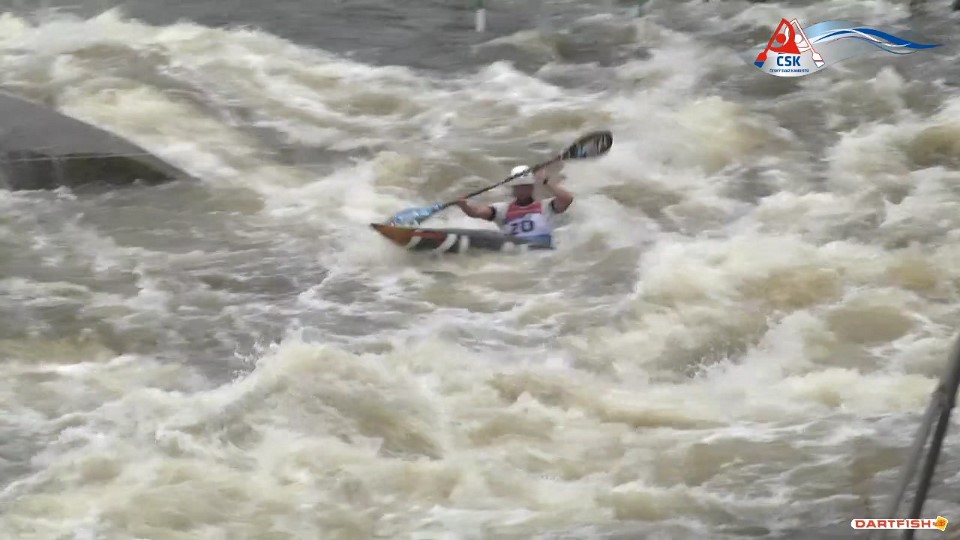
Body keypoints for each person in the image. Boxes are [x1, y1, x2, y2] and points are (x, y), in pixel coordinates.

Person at [455, 164, 574, 248]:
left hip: (542, 250)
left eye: (526, 187)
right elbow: (475, 212)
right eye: (519, 188)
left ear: (531, 187)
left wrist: (546, 182)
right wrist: (464, 206)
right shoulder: (502, 209)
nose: (522, 191)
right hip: (516, 253)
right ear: (513, 189)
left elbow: (567, 199)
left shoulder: (546, 207)